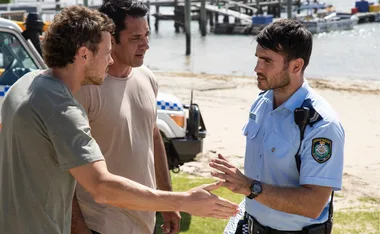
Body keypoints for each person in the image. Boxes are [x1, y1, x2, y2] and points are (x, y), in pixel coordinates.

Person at [0, 5, 238, 234]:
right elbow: (102, 187)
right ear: (84, 54)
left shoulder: (24, 84)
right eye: (106, 53)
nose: (111, 61)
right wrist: (184, 200)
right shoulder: (63, 110)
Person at [210, 19, 344, 234]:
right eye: (257, 59)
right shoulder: (262, 102)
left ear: (296, 66)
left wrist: (250, 187)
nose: (257, 68)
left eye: (267, 61)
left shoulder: (321, 124)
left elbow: (313, 205)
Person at [71, 1, 179, 233]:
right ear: (110, 37)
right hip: (100, 224)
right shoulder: (84, 87)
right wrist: (77, 227)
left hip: (144, 222)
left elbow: (153, 138)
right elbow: (64, 164)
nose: (146, 45)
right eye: (135, 38)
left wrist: (168, 200)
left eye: (147, 35)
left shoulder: (148, 78)